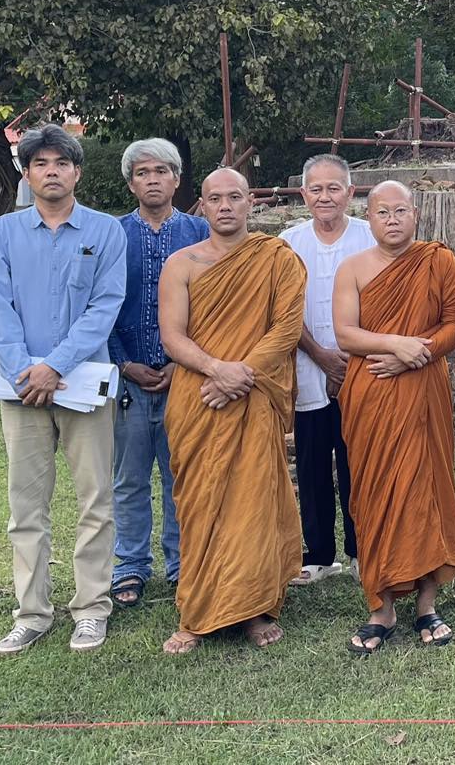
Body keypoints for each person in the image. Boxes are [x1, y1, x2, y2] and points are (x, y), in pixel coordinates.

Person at [0, 124, 126, 655]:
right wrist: (27, 371)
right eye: (40, 163)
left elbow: (105, 307)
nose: (51, 172)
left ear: (77, 171)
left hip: (83, 384)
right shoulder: (3, 234)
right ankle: (32, 613)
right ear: (27, 172)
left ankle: (91, 609)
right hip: (19, 389)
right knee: (26, 505)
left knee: (95, 499)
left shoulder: (105, 232)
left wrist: (56, 366)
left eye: (61, 163)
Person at [157, 168, 307, 654]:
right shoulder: (181, 264)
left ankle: (255, 608)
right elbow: (172, 336)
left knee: (254, 500)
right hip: (198, 398)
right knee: (199, 501)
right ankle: (197, 612)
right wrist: (217, 369)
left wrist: (239, 374)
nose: (225, 206)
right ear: (200, 205)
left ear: (251, 203)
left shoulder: (276, 257)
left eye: (235, 197)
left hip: (252, 393)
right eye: (215, 198)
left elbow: (286, 329)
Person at [333, 181, 455, 653]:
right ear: (367, 219)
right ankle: (381, 607)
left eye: (400, 211)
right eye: (381, 212)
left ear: (416, 214)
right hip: (371, 391)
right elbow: (346, 335)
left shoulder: (439, 261)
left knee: (426, 487)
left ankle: (427, 604)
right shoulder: (352, 268)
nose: (392, 219)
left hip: (424, 388)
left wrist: (417, 355)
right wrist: (396, 345)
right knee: (374, 492)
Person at [107, 138, 209, 609]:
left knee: (180, 473)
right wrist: (123, 361)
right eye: (143, 172)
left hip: (183, 377)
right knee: (127, 478)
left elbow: (211, 309)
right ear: (131, 183)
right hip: (126, 377)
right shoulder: (111, 235)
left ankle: (182, 564)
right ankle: (129, 566)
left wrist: (179, 362)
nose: (153, 179)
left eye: (161, 171)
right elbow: (100, 306)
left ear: (176, 178)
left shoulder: (199, 232)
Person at [279, 154, 374, 587]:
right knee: (313, 462)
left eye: (334, 188)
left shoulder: (370, 237)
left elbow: (380, 306)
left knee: (359, 461)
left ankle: (361, 550)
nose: (325, 196)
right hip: (307, 366)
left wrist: (348, 361)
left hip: (363, 370)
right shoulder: (288, 241)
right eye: (315, 189)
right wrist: (320, 354)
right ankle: (318, 553)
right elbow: (282, 310)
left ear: (350, 193)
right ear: (303, 194)